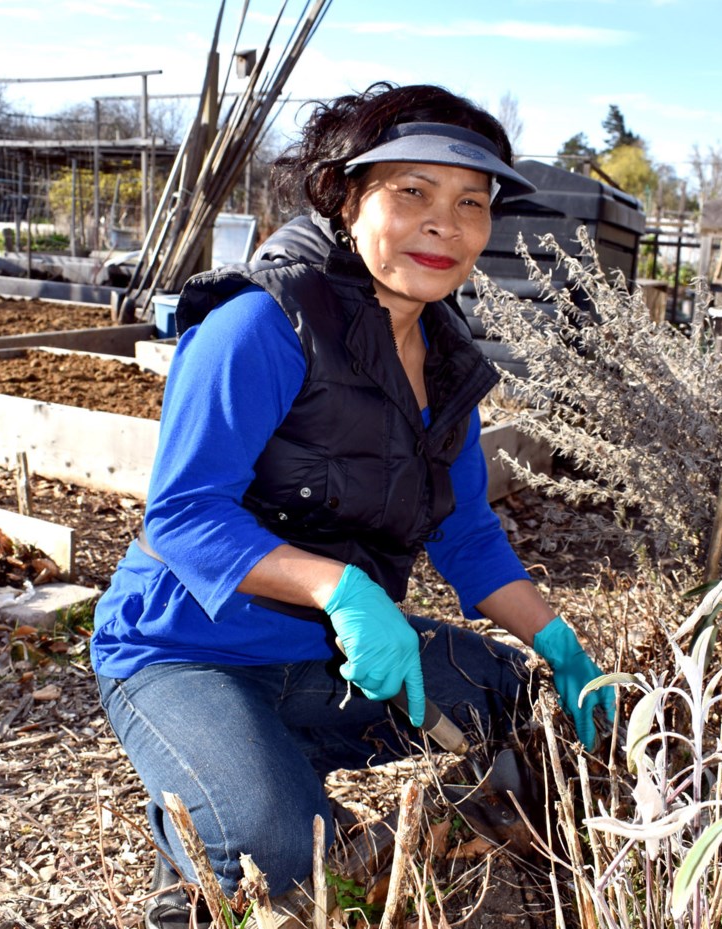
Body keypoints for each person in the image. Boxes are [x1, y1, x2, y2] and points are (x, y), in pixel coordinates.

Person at [90, 81, 614, 929]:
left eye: (471, 202)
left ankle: (248, 763)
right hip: (184, 650)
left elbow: (468, 532)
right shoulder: (259, 324)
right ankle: (213, 813)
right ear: (346, 196)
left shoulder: (445, 365)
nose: (446, 224)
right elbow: (182, 515)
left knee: (510, 696)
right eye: (413, 192)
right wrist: (342, 587)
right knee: (285, 854)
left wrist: (558, 643)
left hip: (320, 658)